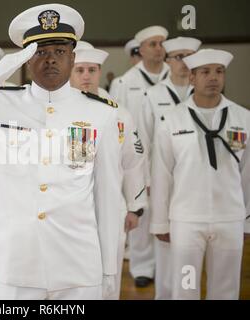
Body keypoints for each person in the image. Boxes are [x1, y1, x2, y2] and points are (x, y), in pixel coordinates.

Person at [0, 3, 121, 300]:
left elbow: (107, 198)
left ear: (73, 57)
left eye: (59, 51)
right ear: (26, 60)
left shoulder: (100, 114)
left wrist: (108, 269)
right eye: (40, 52)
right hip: (16, 265)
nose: (50, 60)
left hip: (79, 265)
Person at [151, 49, 250, 299]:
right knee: (185, 287)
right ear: (192, 78)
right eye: (205, 72)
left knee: (226, 289)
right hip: (186, 219)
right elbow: (162, 175)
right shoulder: (172, 120)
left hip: (230, 216)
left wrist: (248, 219)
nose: (213, 77)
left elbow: (248, 174)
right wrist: (161, 221)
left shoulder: (243, 118)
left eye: (219, 71)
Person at [70, 41, 147, 299]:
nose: (86, 76)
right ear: (70, 70)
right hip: (69, 211)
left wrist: (135, 207)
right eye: (79, 70)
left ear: (99, 72)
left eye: (92, 70)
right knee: (73, 280)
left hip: (111, 206)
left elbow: (134, 161)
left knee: (109, 280)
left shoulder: (119, 114)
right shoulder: (58, 112)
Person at [139, 36, 201, 299]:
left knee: (191, 246)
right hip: (162, 179)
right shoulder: (152, 95)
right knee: (165, 241)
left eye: (190, 57)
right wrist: (145, 182)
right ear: (168, 60)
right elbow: (142, 141)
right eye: (179, 57)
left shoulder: (204, 95)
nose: (185, 63)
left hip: (195, 181)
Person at [109, 25, 170, 288]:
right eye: (153, 44)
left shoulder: (175, 76)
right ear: (141, 49)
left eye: (161, 43)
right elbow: (115, 124)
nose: (159, 49)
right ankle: (142, 266)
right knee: (141, 213)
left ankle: (165, 266)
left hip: (170, 158)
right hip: (138, 158)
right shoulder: (124, 82)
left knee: (168, 213)